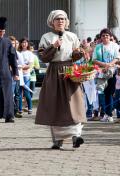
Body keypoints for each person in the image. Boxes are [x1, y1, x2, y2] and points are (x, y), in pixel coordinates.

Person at [35, 10, 86, 149]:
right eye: (57, 19)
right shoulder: (46, 37)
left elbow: (74, 55)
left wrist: (79, 53)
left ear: (66, 21)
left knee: (74, 103)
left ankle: (76, 136)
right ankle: (57, 140)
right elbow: (43, 57)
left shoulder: (72, 36)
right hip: (54, 72)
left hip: (70, 71)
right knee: (55, 105)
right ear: (52, 22)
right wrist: (53, 46)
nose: (60, 21)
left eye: (63, 19)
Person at [92, 28, 120, 122]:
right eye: (103, 35)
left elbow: (117, 57)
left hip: (112, 72)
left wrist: (109, 65)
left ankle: (110, 114)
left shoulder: (115, 46)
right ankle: (106, 114)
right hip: (102, 72)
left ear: (110, 37)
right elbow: (94, 60)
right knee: (104, 93)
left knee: (112, 93)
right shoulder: (98, 47)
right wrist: (104, 65)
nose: (105, 37)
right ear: (101, 37)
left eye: (107, 35)